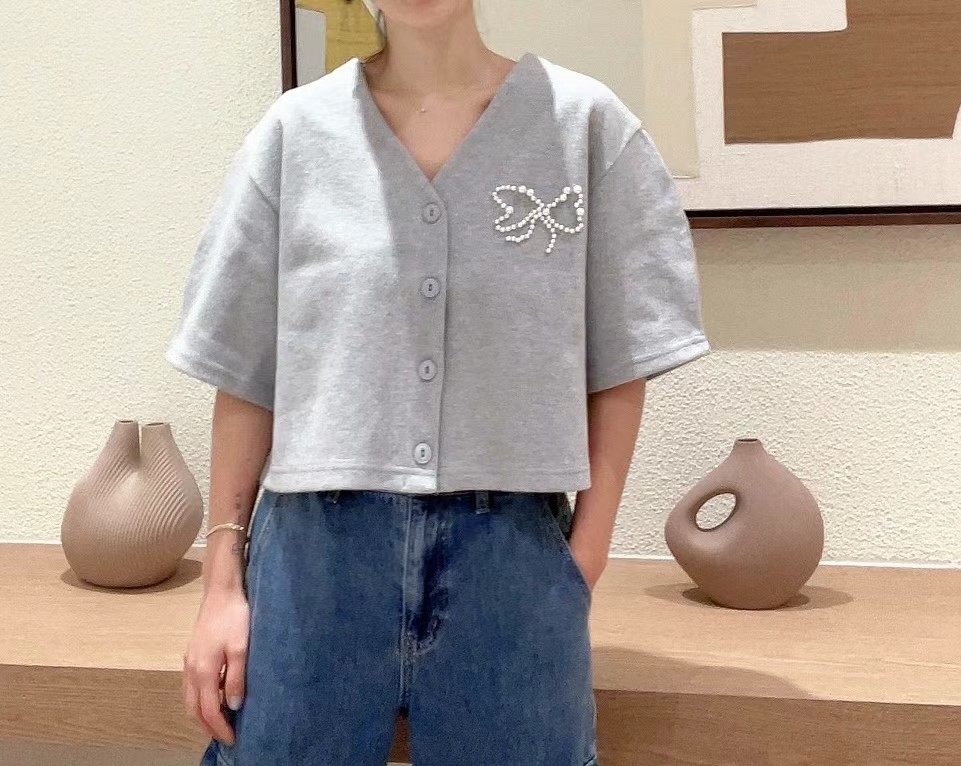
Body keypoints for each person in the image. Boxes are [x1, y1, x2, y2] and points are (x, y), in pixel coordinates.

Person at [165, 1, 711, 764]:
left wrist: (581, 559)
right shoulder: (294, 135)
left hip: (509, 559)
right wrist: (221, 585)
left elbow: (619, 363)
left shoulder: (586, 127)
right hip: (312, 560)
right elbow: (247, 374)